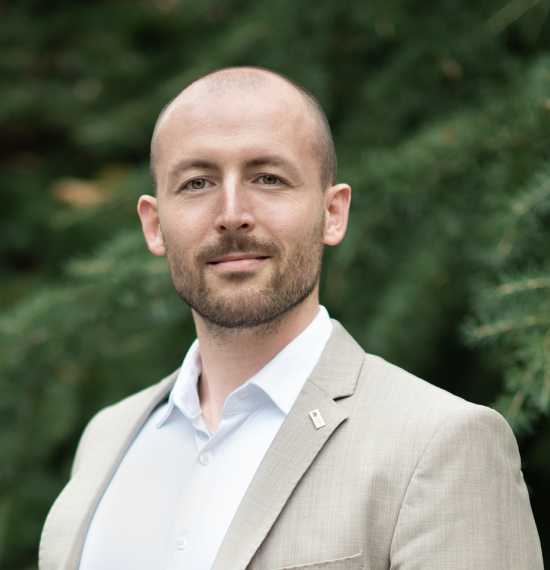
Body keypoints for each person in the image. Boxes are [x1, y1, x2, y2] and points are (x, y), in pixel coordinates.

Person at [39, 66, 543, 570]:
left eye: (268, 178)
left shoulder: (441, 443)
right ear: (154, 225)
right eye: (197, 183)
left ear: (333, 214)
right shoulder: (107, 439)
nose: (231, 214)